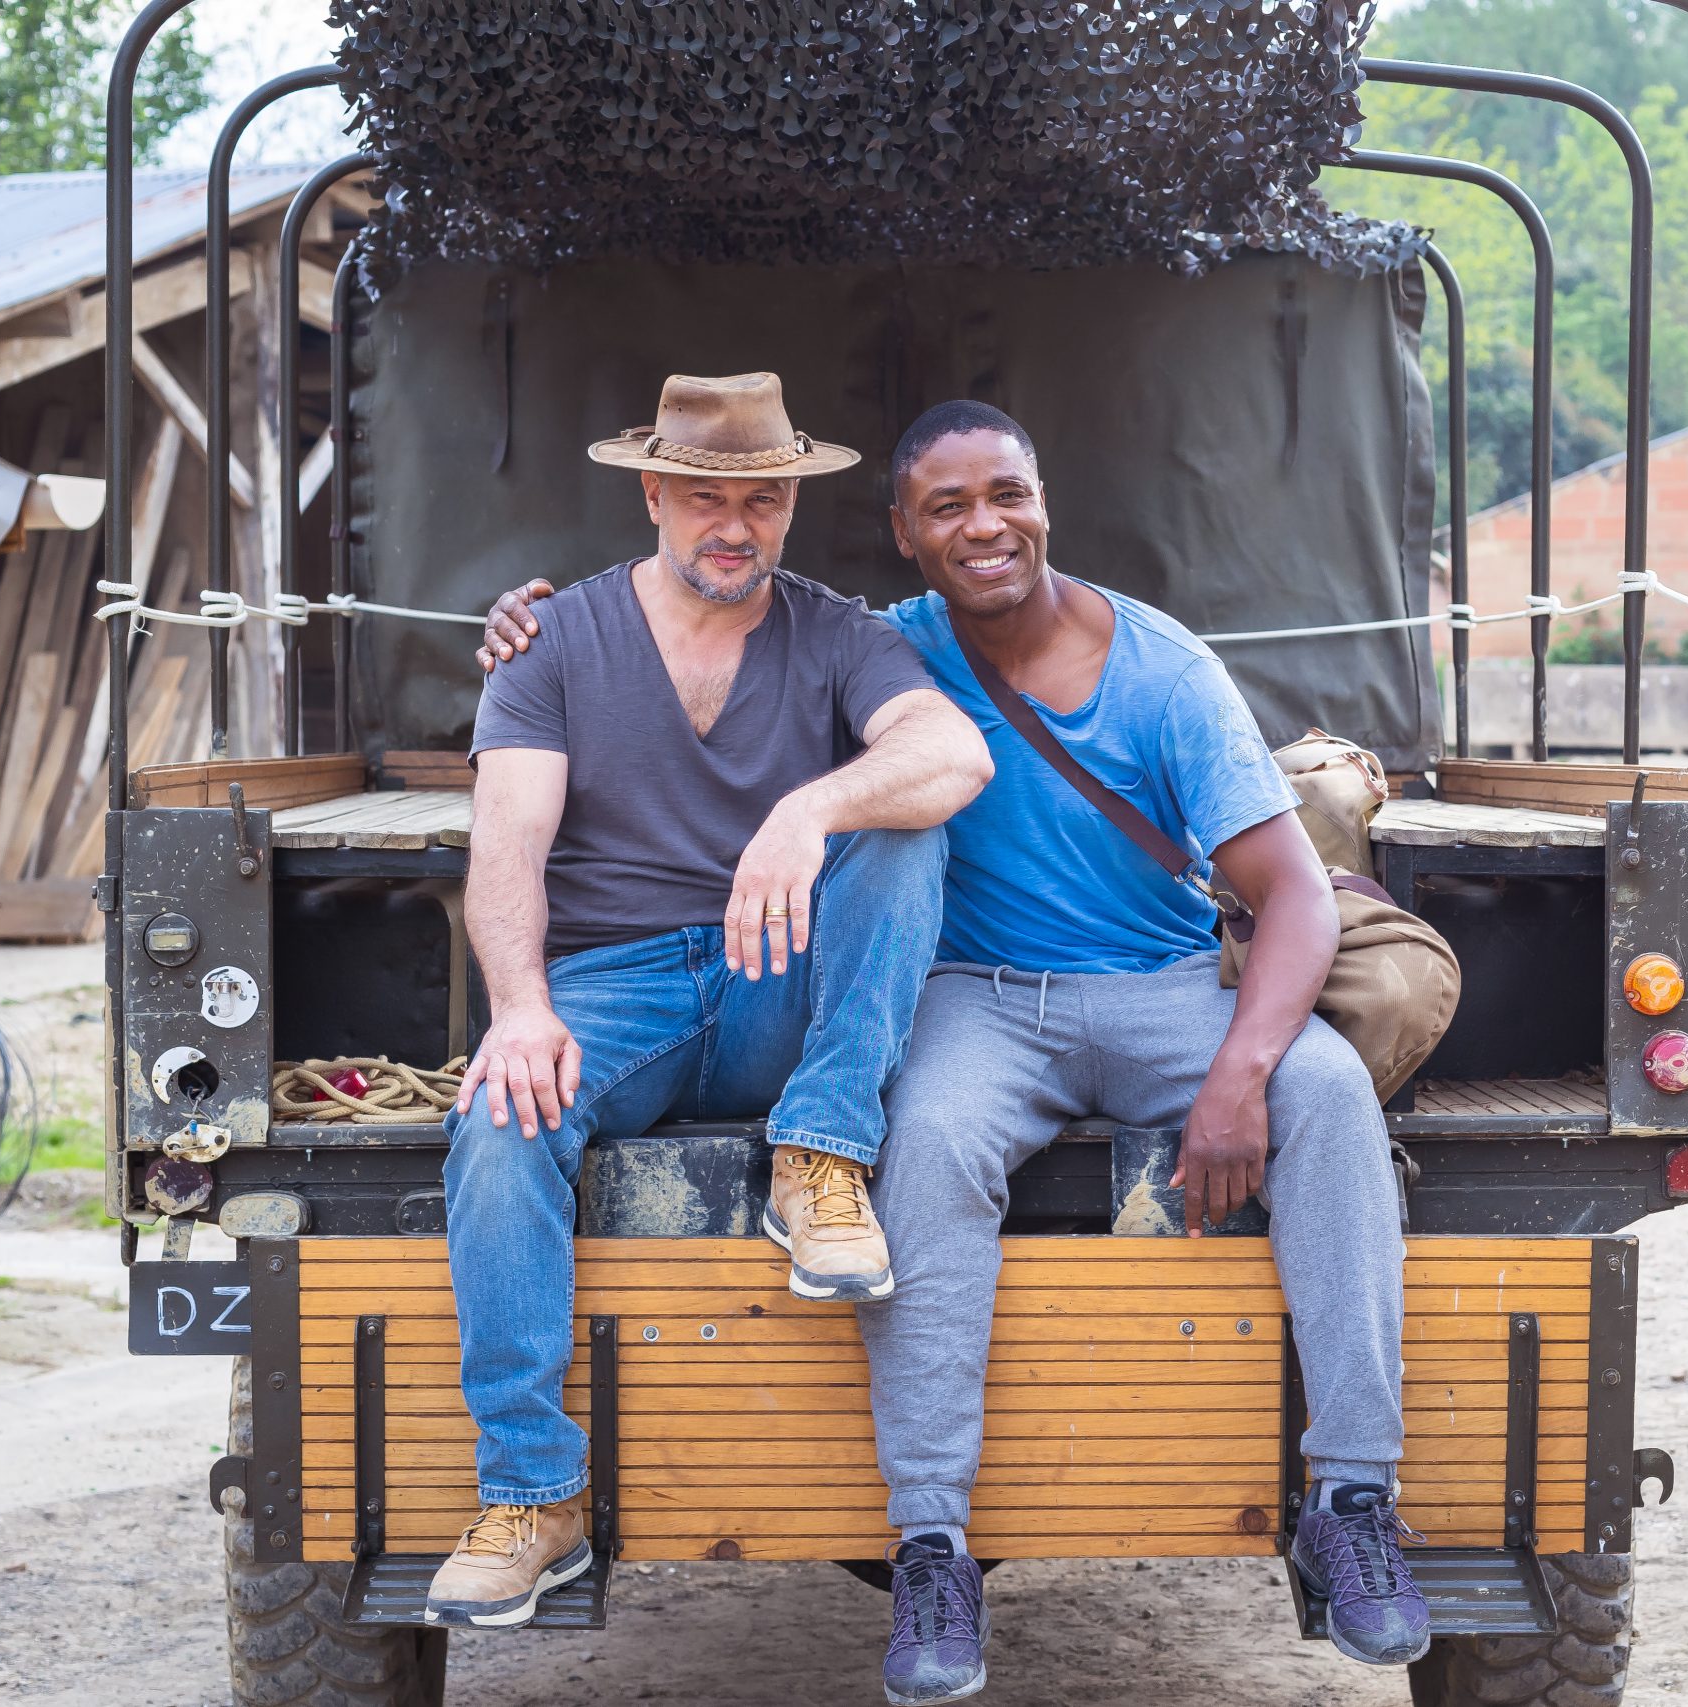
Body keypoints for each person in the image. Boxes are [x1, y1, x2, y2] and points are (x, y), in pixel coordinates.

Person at [476, 401, 1422, 1698]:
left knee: (1327, 1092)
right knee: (916, 1139)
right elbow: (702, 637)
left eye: (1007, 495)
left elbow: (1297, 896)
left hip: (1159, 988)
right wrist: (521, 627)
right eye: (949, 507)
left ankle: (1354, 1499)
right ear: (904, 535)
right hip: (977, 1000)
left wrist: (1240, 1074)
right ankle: (931, 1544)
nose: (986, 526)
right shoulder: (880, 645)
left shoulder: (1163, 668)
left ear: (1044, 500)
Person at [427, 373, 993, 1631]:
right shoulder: (553, 641)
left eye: (762, 499)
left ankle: (820, 1155)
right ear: (653, 494)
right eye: (704, 498)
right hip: (614, 988)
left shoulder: (838, 633)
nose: (734, 525)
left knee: (905, 830)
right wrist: (520, 1009)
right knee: (499, 1123)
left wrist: (811, 808)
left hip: (779, 976)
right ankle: (532, 1495)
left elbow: (953, 753)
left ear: (792, 502)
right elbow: (506, 845)